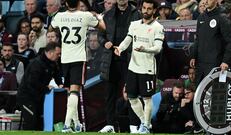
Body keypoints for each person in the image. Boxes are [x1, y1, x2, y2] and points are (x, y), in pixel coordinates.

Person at [50, 0, 105, 133]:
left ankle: (77, 123)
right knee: (74, 91)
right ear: (78, 2)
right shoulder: (85, 16)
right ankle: (67, 125)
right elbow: (102, 27)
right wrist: (99, 18)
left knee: (70, 92)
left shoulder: (60, 16)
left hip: (65, 59)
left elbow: (51, 27)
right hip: (78, 58)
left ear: (66, 3)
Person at [114, 0, 164, 133]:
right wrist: (120, 48)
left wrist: (145, 49)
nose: (146, 11)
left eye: (149, 9)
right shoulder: (134, 24)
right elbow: (128, 39)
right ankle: (144, 121)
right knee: (131, 97)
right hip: (133, 67)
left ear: (154, 11)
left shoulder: (158, 27)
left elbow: (158, 48)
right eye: (144, 8)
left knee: (147, 98)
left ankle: (146, 126)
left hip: (147, 68)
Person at [98, 0, 141, 133]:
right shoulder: (107, 14)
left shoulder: (136, 14)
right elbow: (100, 35)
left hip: (130, 58)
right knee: (110, 94)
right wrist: (104, 42)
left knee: (132, 93)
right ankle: (111, 124)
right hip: (111, 58)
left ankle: (134, 125)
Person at [17, 42, 63, 130]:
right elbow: (32, 83)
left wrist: (60, 84)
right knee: (31, 121)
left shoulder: (52, 63)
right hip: (27, 97)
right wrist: (46, 88)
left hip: (38, 97)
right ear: (50, 53)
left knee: (39, 122)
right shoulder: (36, 64)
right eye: (58, 54)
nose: (59, 56)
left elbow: (57, 74)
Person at [189, 0, 231, 86]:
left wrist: (225, 61)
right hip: (200, 64)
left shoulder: (222, 18)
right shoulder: (201, 17)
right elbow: (198, 39)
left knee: (214, 93)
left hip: (215, 64)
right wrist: (193, 56)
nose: (206, 1)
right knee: (199, 92)